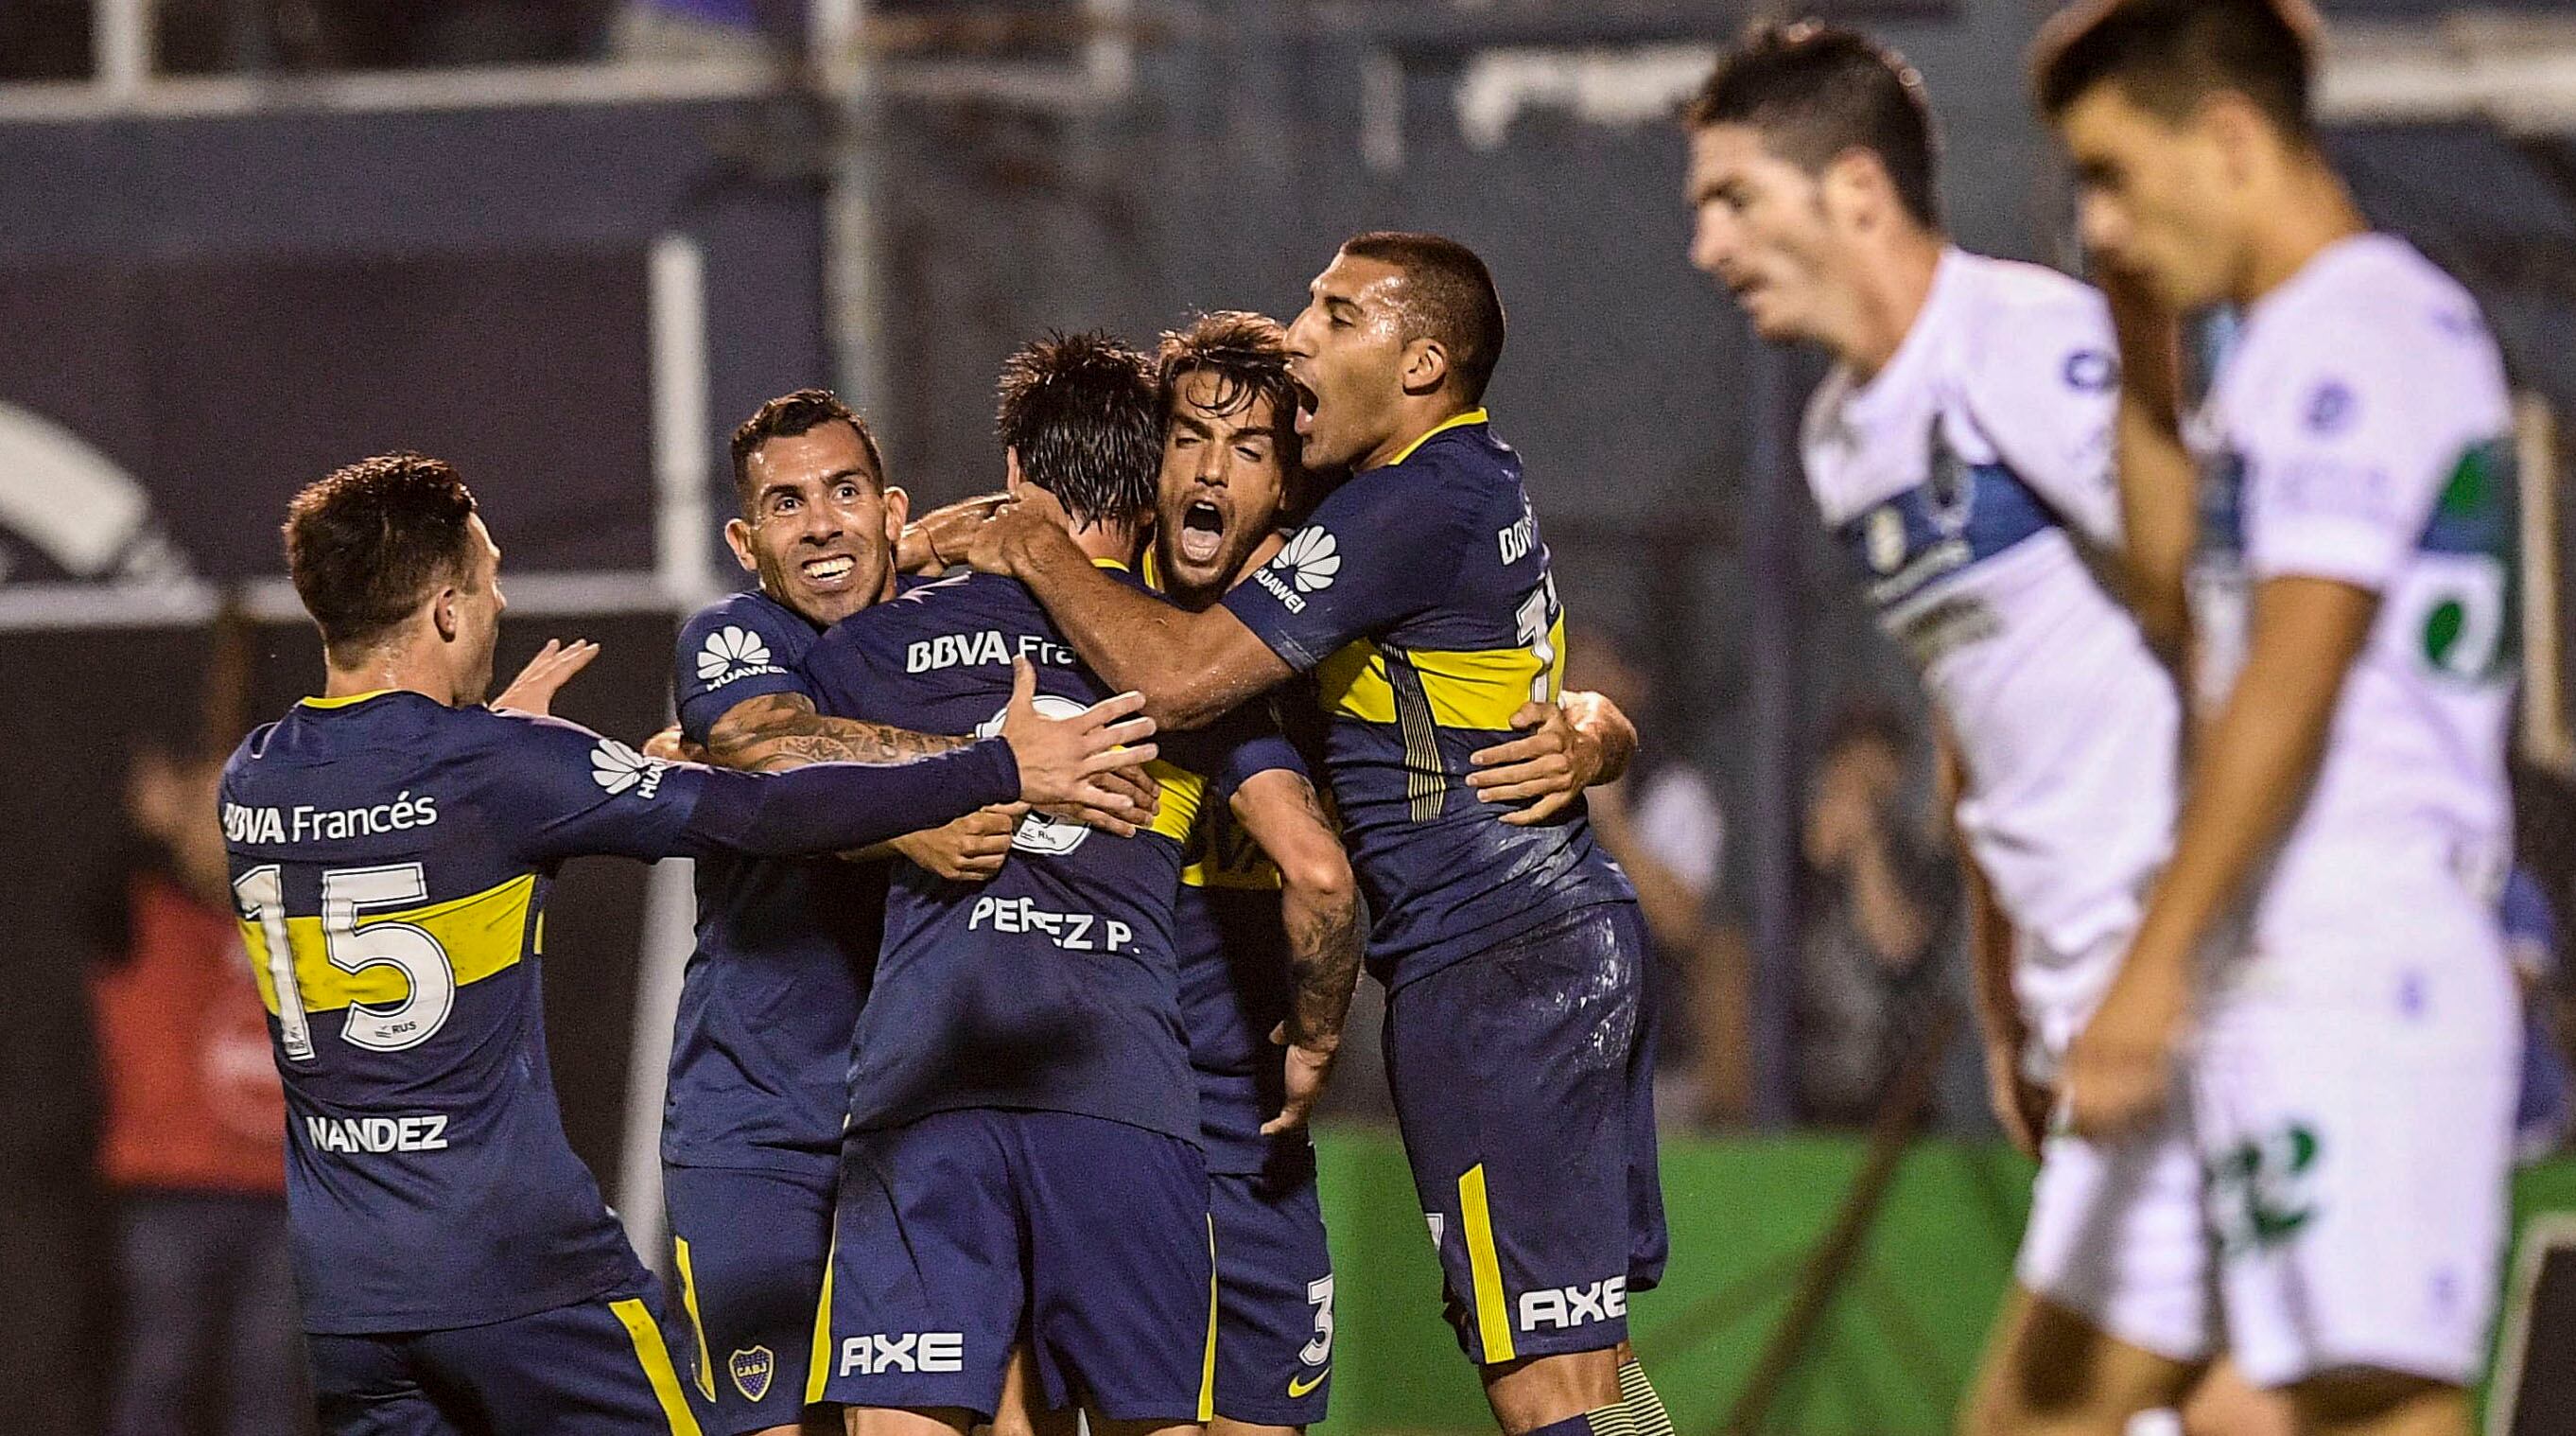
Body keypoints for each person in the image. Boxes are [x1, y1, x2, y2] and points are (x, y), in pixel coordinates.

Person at [224, 452, 1157, 1436]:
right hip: (519, 1275)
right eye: (490, 580)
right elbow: (758, 812)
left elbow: (399, 809)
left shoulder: (251, 782)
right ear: (448, 609)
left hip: (348, 1301)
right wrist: (996, 764)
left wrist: (496, 751)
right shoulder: (505, 768)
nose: (499, 604)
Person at [959, 236, 1669, 1436]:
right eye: (1193, 437)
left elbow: (1187, 689)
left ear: (1422, 364)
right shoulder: (1437, 495)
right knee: (1581, 1359)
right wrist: (1599, 729)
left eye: (1335, 316)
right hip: (1536, 950)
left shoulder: (1401, 507)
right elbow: (1536, 676)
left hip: (1497, 967)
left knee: (1545, 1380)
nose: (1301, 333)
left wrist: (1029, 543)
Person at [1681, 22, 2192, 1428]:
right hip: (2085, 991)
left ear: (1854, 189)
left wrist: (2182, 952)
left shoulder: (2026, 346)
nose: (1707, 249)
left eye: (1734, 200)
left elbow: (2222, 628)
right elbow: (1972, 718)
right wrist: (2005, 987)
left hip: (2191, 979)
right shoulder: (1843, 440)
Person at [2040, 4, 2521, 1434]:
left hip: (2368, 964)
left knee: (2349, 1405)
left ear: (2233, 142)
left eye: (2116, 173)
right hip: (2295, 965)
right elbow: (2196, 610)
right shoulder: (2293, 345)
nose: (2099, 220)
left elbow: (2293, 674)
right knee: (2265, 1403)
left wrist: (2153, 959)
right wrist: (2143, 357)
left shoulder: (2359, 332)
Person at [760, 333, 1356, 1436]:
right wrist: (1316, 1035)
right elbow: (1318, 871)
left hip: (927, 1086)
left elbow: (756, 765)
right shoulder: (1191, 665)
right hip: (1133, 1095)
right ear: (1150, 482)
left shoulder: (885, 639)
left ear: (1017, 477)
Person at [661, 390, 1039, 1436]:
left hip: (936, 1121)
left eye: (844, 492)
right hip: (758, 1122)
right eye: (787, 504)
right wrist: (948, 792)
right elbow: (769, 751)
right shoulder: (732, 638)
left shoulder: (964, 641)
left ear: (891, 512)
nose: (822, 522)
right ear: (746, 541)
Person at [91, 744, 312, 1436]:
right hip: (173, 1191)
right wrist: (148, 826)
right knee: (161, 1368)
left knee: (272, 1378)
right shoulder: (144, 918)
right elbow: (95, 893)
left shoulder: (292, 923)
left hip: (284, 1196)